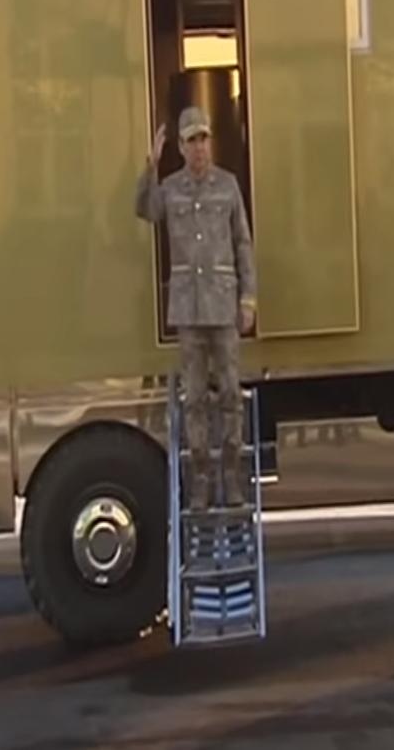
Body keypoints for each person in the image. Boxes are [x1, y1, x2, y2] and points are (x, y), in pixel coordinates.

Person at [135, 106, 257, 510]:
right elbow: (145, 210)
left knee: (231, 395)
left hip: (222, 308)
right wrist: (150, 166)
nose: (200, 146)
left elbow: (243, 244)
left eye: (204, 138)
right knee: (195, 400)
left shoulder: (228, 185)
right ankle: (202, 481)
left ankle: (232, 479)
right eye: (192, 140)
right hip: (189, 311)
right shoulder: (170, 189)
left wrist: (248, 299)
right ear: (182, 148)